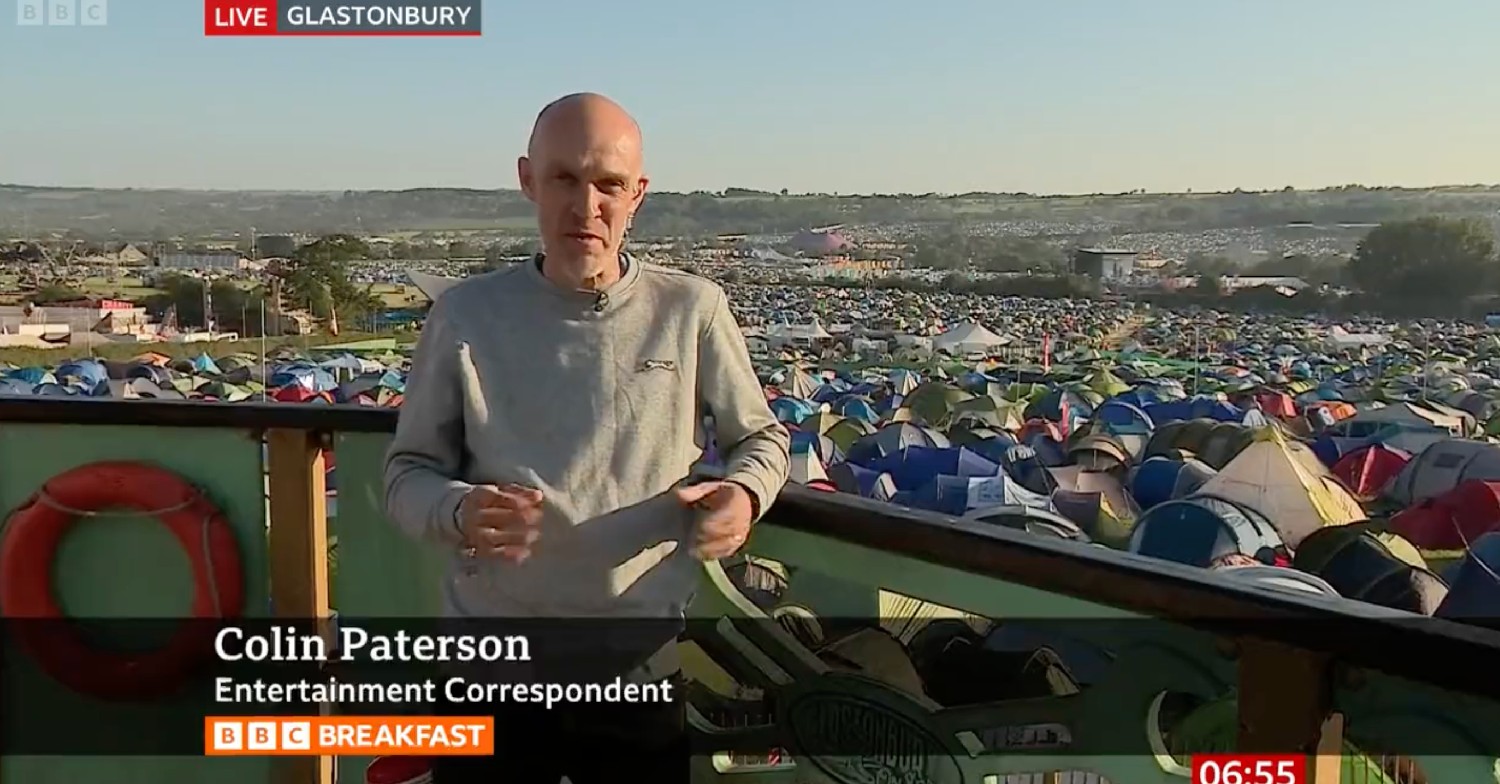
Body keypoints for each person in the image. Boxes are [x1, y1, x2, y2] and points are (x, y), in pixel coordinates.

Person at [383, 93, 790, 783]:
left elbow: (763, 438)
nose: (587, 206)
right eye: (564, 178)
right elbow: (407, 474)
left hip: (638, 670)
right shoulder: (465, 316)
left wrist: (744, 497)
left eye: (608, 184)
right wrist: (457, 510)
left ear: (639, 194)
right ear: (527, 179)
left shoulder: (692, 309)